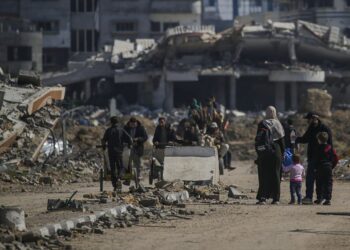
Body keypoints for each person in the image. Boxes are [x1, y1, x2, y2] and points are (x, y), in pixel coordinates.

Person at [295, 112, 332, 205]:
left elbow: (330, 145)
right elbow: (305, 139)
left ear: (314, 118)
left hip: (323, 159)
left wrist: (330, 159)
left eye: (309, 119)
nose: (307, 121)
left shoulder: (325, 129)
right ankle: (309, 197)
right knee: (310, 178)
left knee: (322, 179)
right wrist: (296, 139)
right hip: (312, 157)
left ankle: (323, 197)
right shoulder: (311, 128)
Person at [255, 106, 285, 205]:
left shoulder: (262, 124)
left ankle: (263, 197)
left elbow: (259, 139)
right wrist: (283, 153)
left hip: (265, 151)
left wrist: (259, 154)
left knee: (264, 174)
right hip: (276, 150)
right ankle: (276, 199)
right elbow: (281, 141)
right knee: (276, 174)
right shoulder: (278, 124)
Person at [102, 116, 131, 191]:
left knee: (112, 168)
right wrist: (129, 145)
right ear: (118, 122)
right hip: (119, 152)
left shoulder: (108, 130)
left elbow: (103, 140)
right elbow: (129, 139)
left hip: (111, 152)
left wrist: (104, 146)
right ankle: (119, 178)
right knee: (120, 167)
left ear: (111, 122)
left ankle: (115, 185)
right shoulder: (121, 130)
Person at [314, 132, 338, 205]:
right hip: (328, 167)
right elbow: (336, 158)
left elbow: (315, 159)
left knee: (319, 182)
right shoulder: (330, 148)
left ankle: (319, 198)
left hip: (319, 167)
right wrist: (332, 166)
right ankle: (327, 199)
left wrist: (315, 167)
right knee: (328, 183)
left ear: (319, 140)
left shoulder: (317, 148)